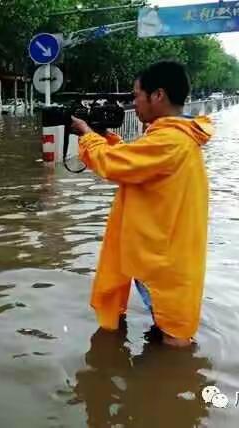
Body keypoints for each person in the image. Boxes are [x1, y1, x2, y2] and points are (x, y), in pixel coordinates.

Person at [71, 61, 214, 347]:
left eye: (137, 95)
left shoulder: (170, 141)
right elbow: (132, 160)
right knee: (168, 326)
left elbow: (112, 164)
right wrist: (105, 138)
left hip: (161, 259)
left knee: (175, 338)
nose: (133, 103)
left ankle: (174, 383)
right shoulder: (174, 137)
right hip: (163, 253)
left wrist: (87, 135)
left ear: (157, 95)